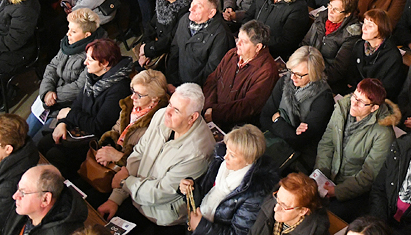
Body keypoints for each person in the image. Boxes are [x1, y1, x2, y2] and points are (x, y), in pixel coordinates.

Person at [97, 84, 214, 229]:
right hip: (134, 194)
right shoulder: (161, 116)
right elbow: (139, 153)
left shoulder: (198, 153)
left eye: (176, 110)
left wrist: (124, 183)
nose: (168, 112)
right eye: (170, 103)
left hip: (158, 218)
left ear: (192, 117)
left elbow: (160, 192)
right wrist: (116, 198)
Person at [38, 39, 133, 177]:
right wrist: (63, 123)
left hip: (94, 139)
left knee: (55, 155)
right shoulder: (93, 76)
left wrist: (69, 114)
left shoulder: (119, 89)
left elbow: (98, 126)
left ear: (104, 63)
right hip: (78, 127)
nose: (85, 63)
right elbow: (78, 103)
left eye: (90, 60)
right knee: (44, 143)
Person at [314, 78, 400, 222]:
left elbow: (368, 176)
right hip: (328, 175)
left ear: (374, 108)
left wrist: (337, 191)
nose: (354, 102)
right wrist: (321, 174)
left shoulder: (383, 134)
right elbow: (327, 143)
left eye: (361, 102)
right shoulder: (342, 108)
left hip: (352, 188)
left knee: (326, 218)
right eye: (354, 96)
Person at [181, 124, 279, 235]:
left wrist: (202, 227)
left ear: (249, 160)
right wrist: (190, 187)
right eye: (227, 150)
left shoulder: (255, 193)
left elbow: (238, 233)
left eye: (232, 155)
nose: (225, 157)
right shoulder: (221, 164)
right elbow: (204, 189)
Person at [25, 9, 101, 138]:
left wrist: (53, 96)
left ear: (87, 34)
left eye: (73, 31)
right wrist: (47, 91)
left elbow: (79, 87)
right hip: (48, 98)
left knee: (38, 140)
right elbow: (52, 67)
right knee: (23, 133)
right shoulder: (67, 44)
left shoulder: (93, 55)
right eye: (69, 29)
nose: (68, 34)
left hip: (67, 105)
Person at [260, 46, 335, 168]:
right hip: (272, 141)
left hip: (298, 156)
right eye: (291, 71)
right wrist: (290, 131)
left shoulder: (323, 99)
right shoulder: (286, 80)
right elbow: (264, 116)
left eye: (299, 75)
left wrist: (277, 120)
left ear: (313, 74)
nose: (292, 77)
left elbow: (300, 141)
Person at [91, 70, 170, 185]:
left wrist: (118, 157)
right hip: (111, 163)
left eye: (139, 95)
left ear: (154, 98)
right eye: (133, 91)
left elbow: (147, 162)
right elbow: (116, 129)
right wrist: (106, 149)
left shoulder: (159, 123)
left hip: (129, 176)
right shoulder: (130, 105)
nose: (133, 97)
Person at [202, 21, 279, 130]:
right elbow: (212, 80)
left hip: (238, 128)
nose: (237, 43)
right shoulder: (232, 54)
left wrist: (215, 113)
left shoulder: (267, 71)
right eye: (238, 38)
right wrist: (208, 108)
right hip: (212, 116)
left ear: (258, 47)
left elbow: (248, 107)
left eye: (244, 42)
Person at [242, 0, 310, 59]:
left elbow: (286, 42)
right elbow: (248, 16)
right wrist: (246, 35)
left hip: (272, 54)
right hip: (253, 44)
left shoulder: (298, 7)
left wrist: (256, 42)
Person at [0, 165, 88, 235]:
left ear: (45, 199)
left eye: (23, 192)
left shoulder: (63, 232)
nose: (15, 196)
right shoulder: (24, 208)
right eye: (18, 188)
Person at [344, 9, 407, 99]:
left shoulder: (392, 56)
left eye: (370, 26)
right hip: (356, 94)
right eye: (364, 23)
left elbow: (388, 90)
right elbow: (351, 74)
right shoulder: (359, 45)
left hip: (374, 100)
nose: (364, 28)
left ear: (381, 29)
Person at [135, 0, 193, 69]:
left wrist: (147, 50)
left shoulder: (186, 10)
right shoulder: (162, 2)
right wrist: (145, 45)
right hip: (156, 47)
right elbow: (151, 26)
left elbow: (171, 39)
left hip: (170, 54)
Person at [247, 173, 330, 235]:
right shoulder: (271, 203)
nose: (276, 208)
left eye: (284, 206)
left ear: (302, 211)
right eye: (277, 199)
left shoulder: (314, 231)